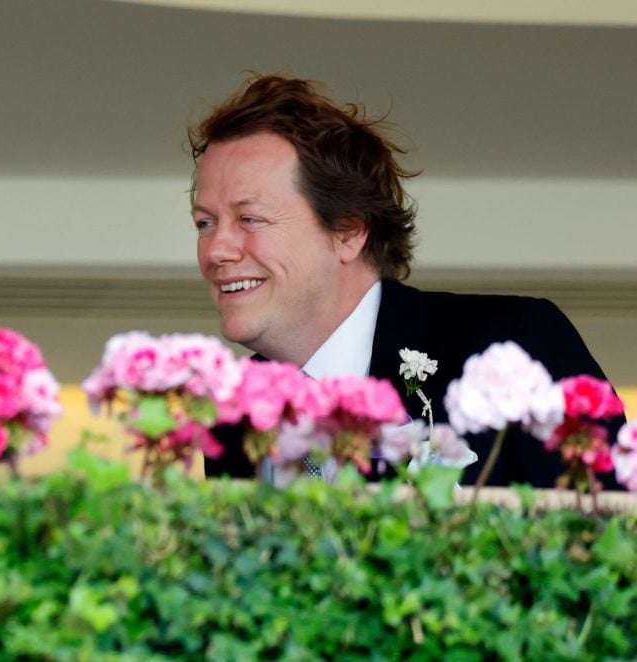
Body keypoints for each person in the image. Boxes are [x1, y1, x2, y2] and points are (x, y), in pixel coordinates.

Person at [191, 74, 624, 488]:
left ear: (347, 232)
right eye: (205, 222)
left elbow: (616, 543)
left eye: (250, 219)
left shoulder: (511, 346)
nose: (216, 250)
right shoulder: (232, 418)